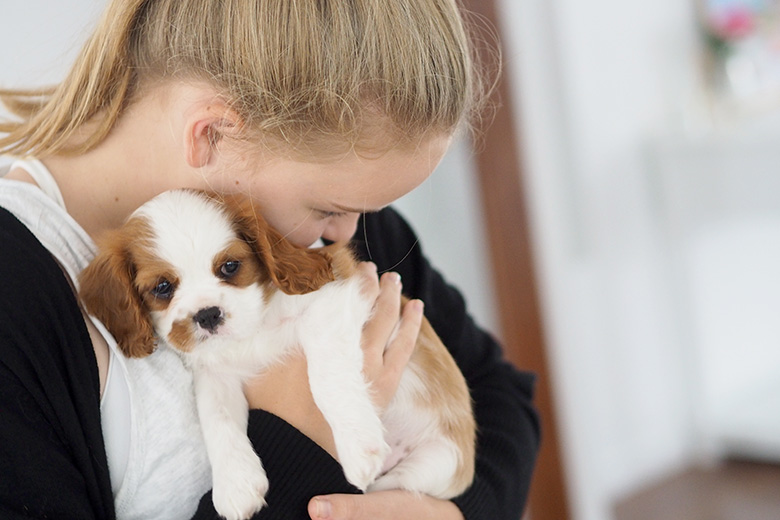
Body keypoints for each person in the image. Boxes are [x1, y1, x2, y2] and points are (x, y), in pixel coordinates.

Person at [0, 1, 539, 519]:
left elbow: (502, 396)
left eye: (366, 210)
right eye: (331, 209)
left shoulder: (316, 223)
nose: (349, 236)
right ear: (211, 133)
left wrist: (447, 514)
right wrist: (296, 433)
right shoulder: (19, 296)